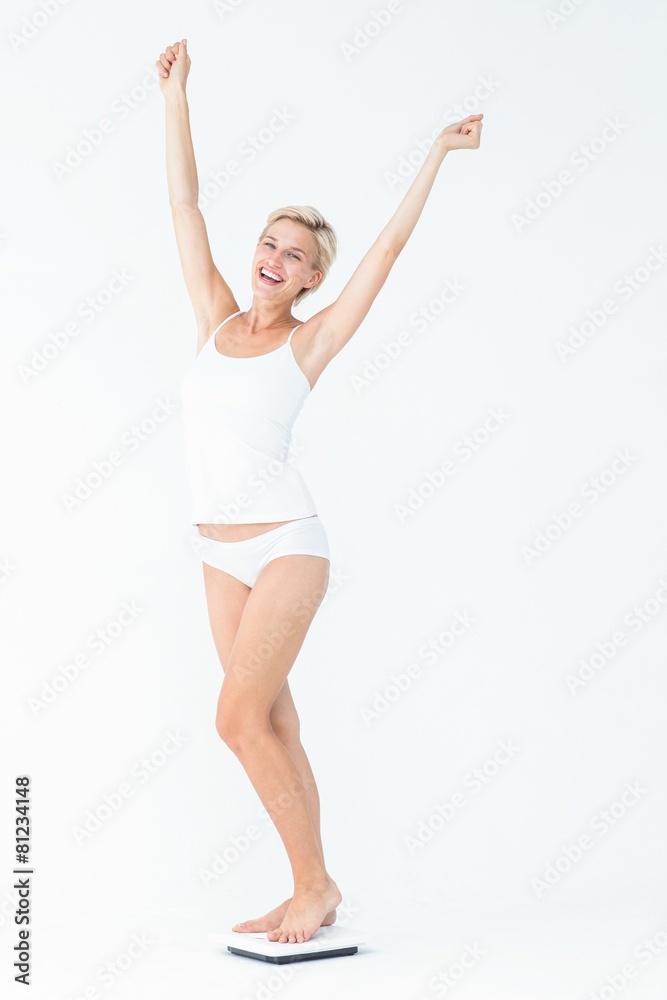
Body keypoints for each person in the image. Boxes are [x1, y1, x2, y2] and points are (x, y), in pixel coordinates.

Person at [157, 37, 483, 946]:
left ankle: (317, 884)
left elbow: (388, 248)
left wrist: (435, 155)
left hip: (286, 544)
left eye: (294, 254)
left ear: (310, 279)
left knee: (233, 718)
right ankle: (311, 887)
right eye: (268, 241)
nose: (273, 257)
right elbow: (184, 205)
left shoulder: (309, 343)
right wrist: (178, 94)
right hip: (217, 549)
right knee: (269, 719)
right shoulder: (214, 315)